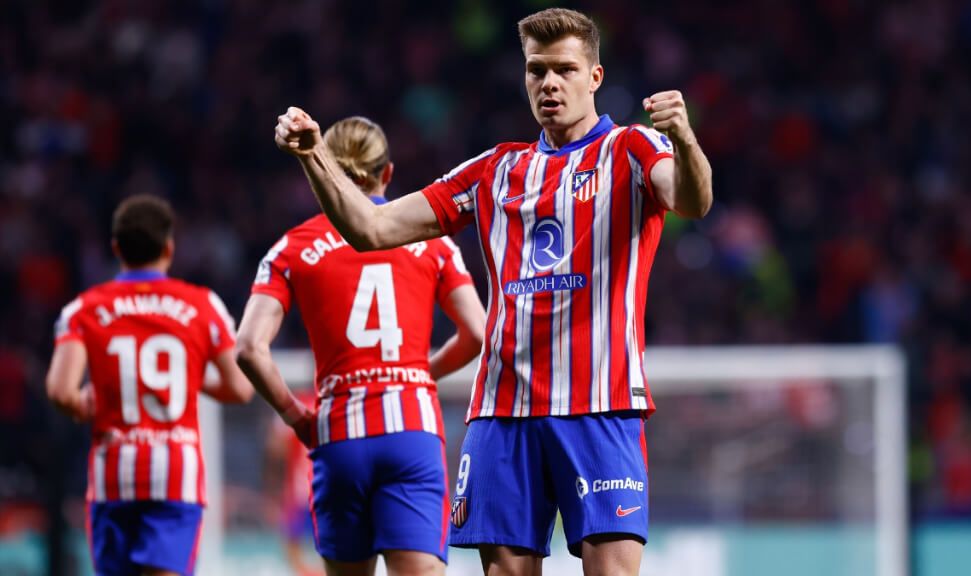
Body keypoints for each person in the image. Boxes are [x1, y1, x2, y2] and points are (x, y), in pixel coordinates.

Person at [273, 7, 712, 574]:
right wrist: (315, 156)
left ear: (594, 77)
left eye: (564, 70)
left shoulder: (632, 148)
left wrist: (683, 138)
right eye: (536, 71)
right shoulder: (494, 170)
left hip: (600, 404)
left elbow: (692, 201)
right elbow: (372, 229)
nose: (549, 83)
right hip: (504, 411)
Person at [237, 116, 486, 576]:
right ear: (387, 174)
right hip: (411, 428)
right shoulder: (431, 241)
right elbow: (477, 330)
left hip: (337, 434)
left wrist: (297, 417)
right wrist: (419, 374)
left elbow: (249, 348)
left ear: (320, 172)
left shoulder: (290, 249)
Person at [45, 194, 254, 576]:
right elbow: (241, 388)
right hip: (176, 472)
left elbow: (60, 390)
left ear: (116, 249)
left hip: (114, 474)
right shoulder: (202, 305)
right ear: (169, 248)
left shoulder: (84, 309)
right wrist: (191, 379)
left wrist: (79, 404)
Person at [264, 390, 321, 576]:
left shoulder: (294, 405)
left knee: (294, 554)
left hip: (300, 494)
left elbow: (275, 449)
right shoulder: (330, 402)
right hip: (327, 490)